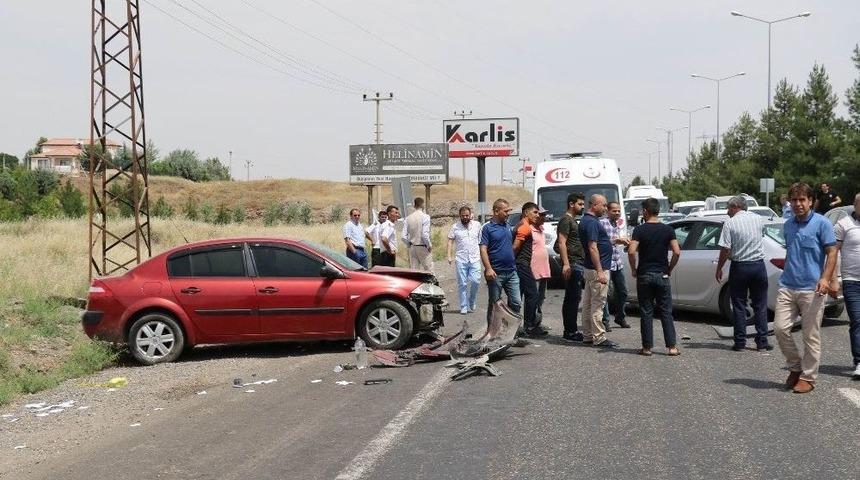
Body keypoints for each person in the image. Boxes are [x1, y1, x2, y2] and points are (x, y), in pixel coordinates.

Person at [773, 182, 838, 394]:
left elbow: (832, 252)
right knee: (780, 329)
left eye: (802, 200)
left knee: (810, 335)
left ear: (811, 201)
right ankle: (795, 366)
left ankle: (808, 377)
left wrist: (827, 279)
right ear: (790, 202)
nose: (798, 204)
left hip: (813, 288)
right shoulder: (788, 225)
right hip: (788, 285)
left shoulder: (822, 223)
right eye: (795, 200)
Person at [715, 196, 772, 352]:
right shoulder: (759, 219)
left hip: (740, 267)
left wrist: (719, 267)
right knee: (760, 304)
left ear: (735, 207)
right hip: (759, 266)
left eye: (728, 208)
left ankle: (740, 342)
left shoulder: (730, 223)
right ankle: (762, 341)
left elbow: (725, 249)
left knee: (739, 305)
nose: (727, 212)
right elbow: (761, 237)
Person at [628, 197, 681, 356]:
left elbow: (631, 251)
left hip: (644, 274)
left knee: (646, 311)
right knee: (666, 311)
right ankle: (671, 347)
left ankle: (646, 348)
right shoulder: (668, 230)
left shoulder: (639, 230)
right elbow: (677, 252)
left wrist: (634, 268)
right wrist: (669, 268)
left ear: (645, 211)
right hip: (662, 274)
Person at [578, 194, 619, 348]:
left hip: (591, 268)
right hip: (597, 269)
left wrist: (614, 241)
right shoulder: (592, 223)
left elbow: (599, 243)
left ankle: (588, 335)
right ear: (594, 205)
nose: (605, 208)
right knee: (597, 304)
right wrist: (600, 270)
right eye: (603, 205)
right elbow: (592, 246)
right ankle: (599, 337)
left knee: (588, 303)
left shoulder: (588, 221)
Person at [480, 198, 521, 328]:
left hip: (511, 272)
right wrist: (488, 269)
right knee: (494, 304)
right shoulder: (487, 228)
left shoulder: (508, 226)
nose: (508, 213)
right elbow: (483, 249)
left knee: (516, 302)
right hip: (495, 273)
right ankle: (491, 332)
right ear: (496, 211)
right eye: (505, 211)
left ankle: (511, 331)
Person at [834, 192, 860, 379]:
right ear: (855, 205)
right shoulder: (844, 224)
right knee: (857, 321)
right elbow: (833, 252)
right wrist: (836, 277)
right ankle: (859, 362)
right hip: (852, 281)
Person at [512, 202, 547, 337]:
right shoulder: (524, 227)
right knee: (532, 294)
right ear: (526, 213)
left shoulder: (522, 226)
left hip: (521, 264)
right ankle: (529, 326)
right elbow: (515, 247)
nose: (537, 215)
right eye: (535, 212)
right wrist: (512, 263)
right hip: (522, 264)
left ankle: (518, 328)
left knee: (518, 297)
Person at [557, 192, 586, 342]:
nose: (582, 207)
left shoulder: (573, 220)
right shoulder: (566, 220)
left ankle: (571, 330)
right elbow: (561, 242)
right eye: (580, 204)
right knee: (572, 299)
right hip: (572, 264)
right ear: (571, 204)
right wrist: (566, 264)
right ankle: (570, 331)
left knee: (574, 298)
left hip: (577, 263)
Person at [600, 201, 631, 331]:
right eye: (614, 211)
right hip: (606, 262)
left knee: (623, 291)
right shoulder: (602, 223)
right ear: (608, 210)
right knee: (605, 294)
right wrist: (616, 241)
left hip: (617, 262)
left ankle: (620, 316)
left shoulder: (618, 224)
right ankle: (605, 320)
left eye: (618, 211)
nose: (617, 213)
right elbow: (599, 242)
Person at [447, 206, 482, 315]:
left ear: (470, 215)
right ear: (460, 216)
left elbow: (482, 241)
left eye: (467, 215)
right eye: (463, 216)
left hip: (475, 258)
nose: (465, 217)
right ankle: (463, 306)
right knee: (462, 283)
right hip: (461, 259)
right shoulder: (455, 227)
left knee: (476, 281)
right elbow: (450, 241)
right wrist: (449, 255)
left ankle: (472, 300)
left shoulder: (477, 225)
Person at [532, 207, 552, 331]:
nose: (544, 217)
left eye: (544, 215)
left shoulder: (541, 229)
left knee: (541, 297)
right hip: (533, 270)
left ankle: (537, 322)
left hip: (544, 269)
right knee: (534, 297)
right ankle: (531, 324)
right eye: (541, 215)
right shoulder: (529, 230)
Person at [403, 197, 433, 271]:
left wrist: (408, 244)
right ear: (423, 205)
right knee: (429, 270)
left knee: (414, 272)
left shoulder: (408, 218)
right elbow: (424, 234)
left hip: (413, 247)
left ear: (414, 205)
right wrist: (429, 245)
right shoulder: (425, 217)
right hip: (422, 246)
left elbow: (403, 236)